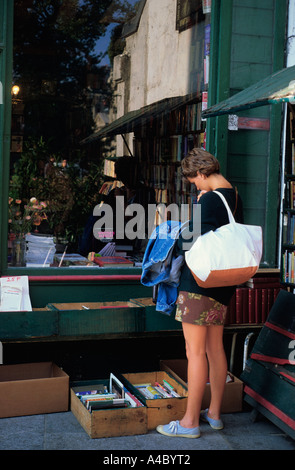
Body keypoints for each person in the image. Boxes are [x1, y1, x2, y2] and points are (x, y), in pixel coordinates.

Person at [156, 148, 243, 439]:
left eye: (194, 181)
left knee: (194, 352)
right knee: (214, 349)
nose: (195, 186)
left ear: (203, 174)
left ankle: (190, 422)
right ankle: (214, 414)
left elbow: (188, 244)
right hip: (222, 285)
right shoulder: (234, 195)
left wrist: (175, 228)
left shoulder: (210, 200)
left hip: (198, 285)